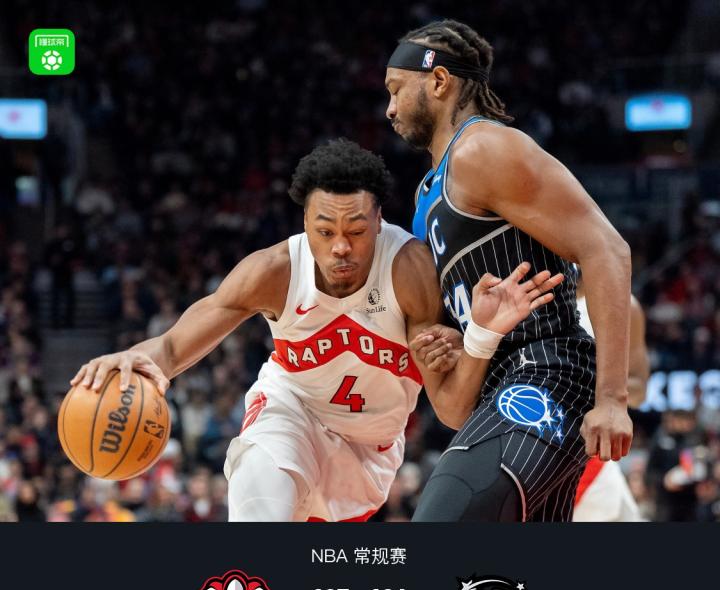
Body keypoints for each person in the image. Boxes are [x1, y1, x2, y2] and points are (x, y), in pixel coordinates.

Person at [70, 139, 562, 522]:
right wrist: (136, 356)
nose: (340, 247)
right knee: (259, 488)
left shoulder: (408, 270)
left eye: (356, 231)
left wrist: (480, 337)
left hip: (370, 450)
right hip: (290, 411)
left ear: (379, 221)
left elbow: (452, 410)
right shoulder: (275, 271)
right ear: (305, 221)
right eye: (325, 231)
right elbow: (174, 346)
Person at [385, 19, 633, 521]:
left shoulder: (484, 149)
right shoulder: (426, 197)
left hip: (547, 369)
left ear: (438, 81)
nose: (389, 108)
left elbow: (608, 249)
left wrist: (611, 399)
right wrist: (460, 344)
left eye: (395, 89)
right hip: (494, 390)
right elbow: (453, 411)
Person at [573, 278, 650, 522]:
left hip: (590, 459)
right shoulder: (519, 298)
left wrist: (601, 387)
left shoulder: (622, 303)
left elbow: (639, 390)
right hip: (527, 450)